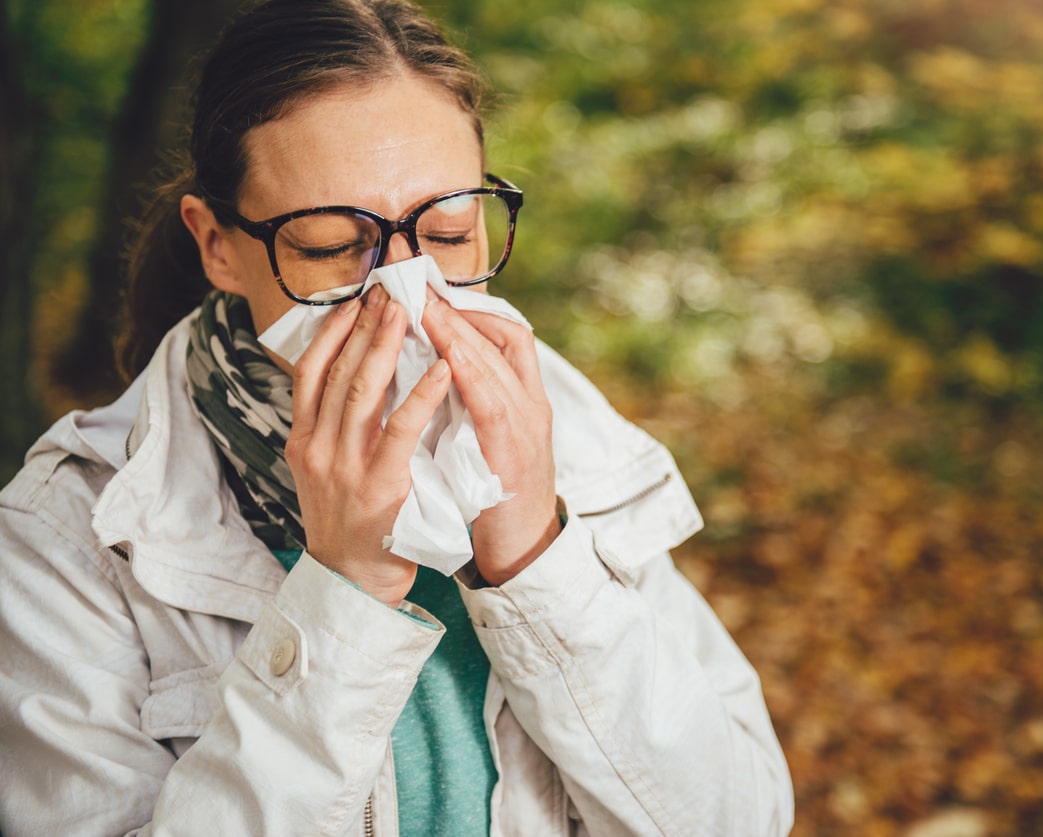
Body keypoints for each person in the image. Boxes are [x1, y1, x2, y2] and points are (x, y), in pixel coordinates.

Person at [0, 0, 794, 834]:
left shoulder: (565, 435)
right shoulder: (65, 538)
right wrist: (347, 589)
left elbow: (738, 818)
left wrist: (536, 556)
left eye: (448, 230)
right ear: (217, 245)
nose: (405, 294)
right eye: (329, 244)